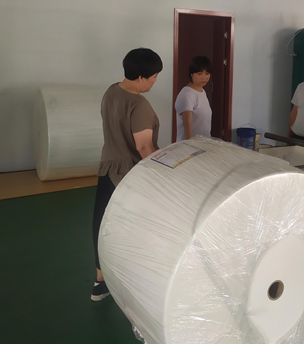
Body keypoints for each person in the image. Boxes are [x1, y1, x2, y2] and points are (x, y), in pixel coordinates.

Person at [91, 48, 162, 302]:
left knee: (101, 224)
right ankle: (136, 281)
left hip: (107, 168)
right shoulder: (139, 104)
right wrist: (163, 175)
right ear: (141, 77)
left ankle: (100, 282)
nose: (154, 82)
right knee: (134, 228)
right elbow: (144, 147)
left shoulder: (111, 92)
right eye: (153, 77)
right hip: (130, 175)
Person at [175, 56, 213, 141]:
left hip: (203, 144)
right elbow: (187, 125)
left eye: (207, 74)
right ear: (191, 74)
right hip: (190, 146)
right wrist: (191, 146)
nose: (204, 77)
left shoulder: (202, 91)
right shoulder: (187, 94)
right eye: (199, 74)